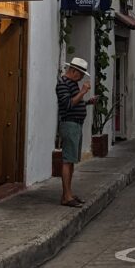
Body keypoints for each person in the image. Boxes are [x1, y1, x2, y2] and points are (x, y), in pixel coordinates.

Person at [56, 56, 96, 207]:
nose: (80, 78)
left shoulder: (71, 83)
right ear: (73, 71)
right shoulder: (63, 84)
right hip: (70, 125)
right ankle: (66, 196)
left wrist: (87, 102)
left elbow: (76, 102)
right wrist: (83, 92)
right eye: (80, 74)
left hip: (76, 124)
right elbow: (68, 104)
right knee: (67, 160)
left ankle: (68, 193)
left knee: (71, 160)